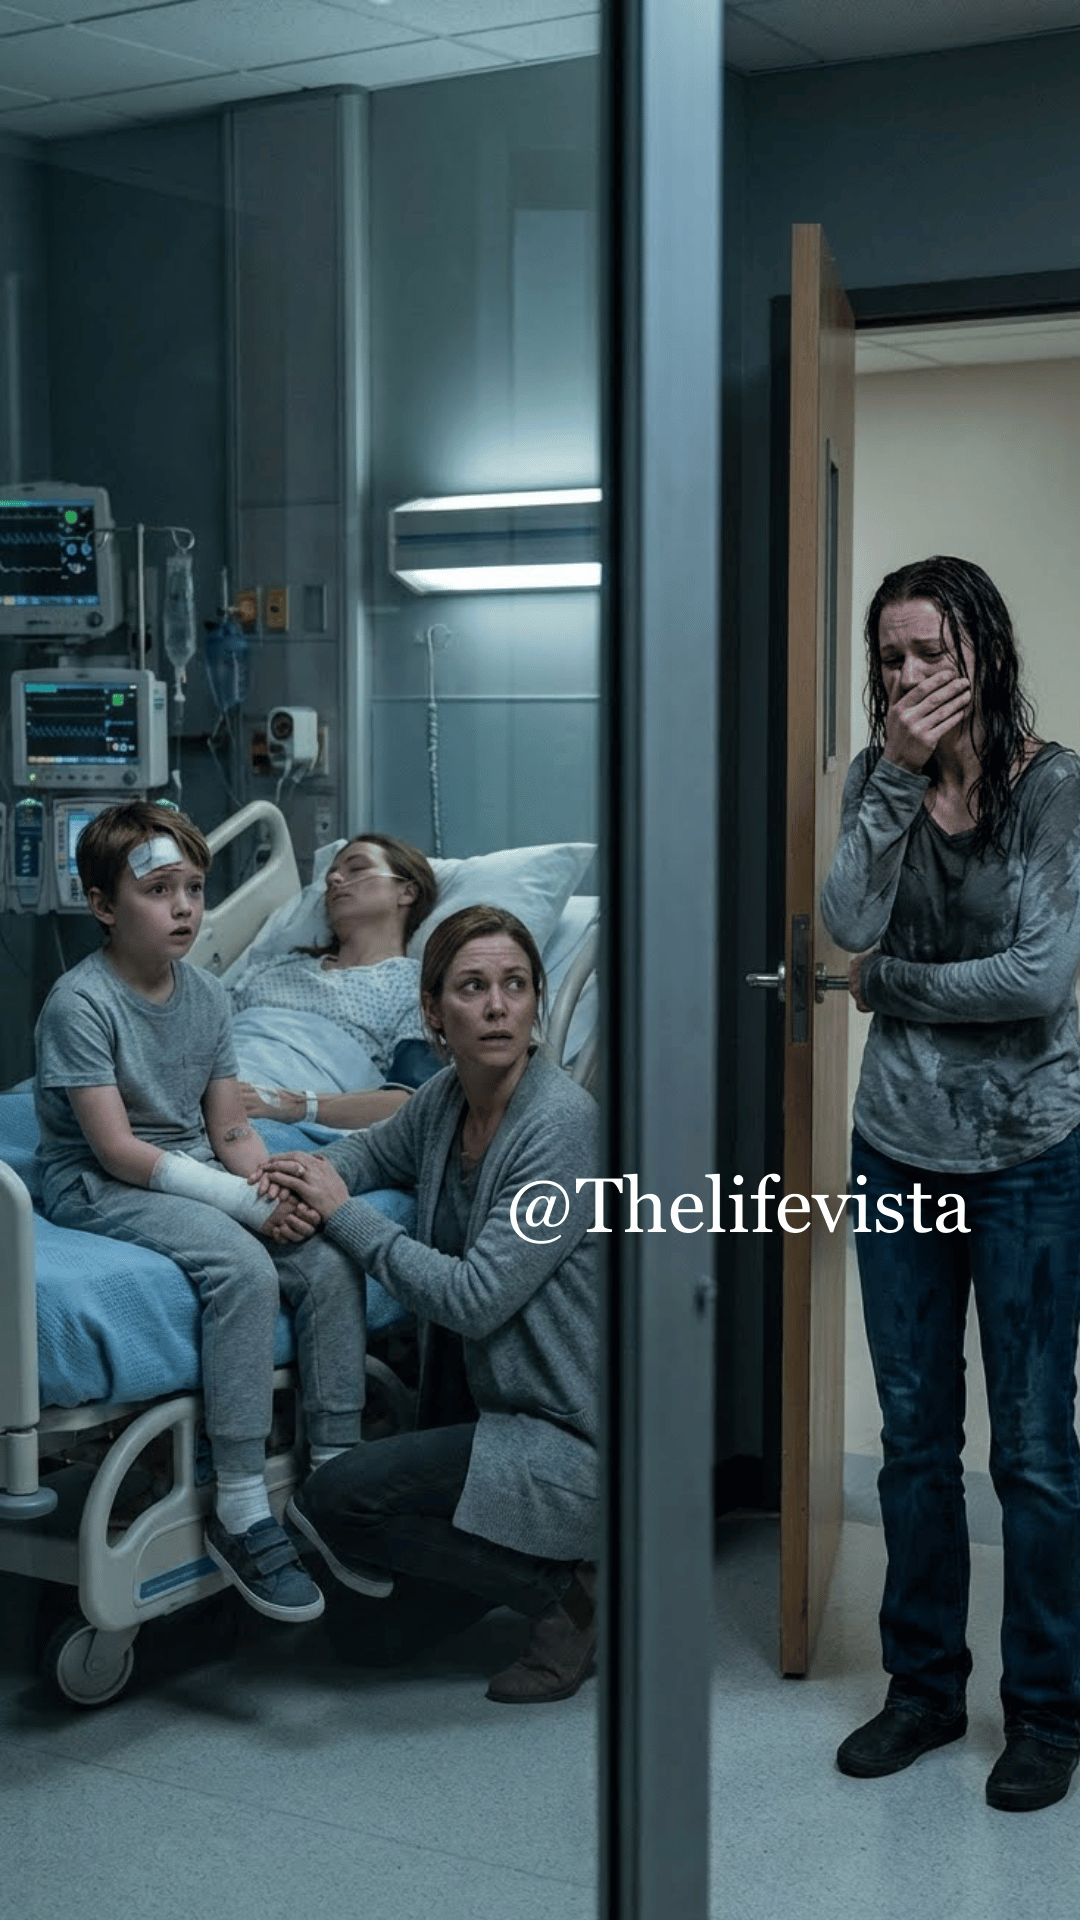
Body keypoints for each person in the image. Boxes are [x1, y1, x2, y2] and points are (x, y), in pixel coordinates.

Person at [821, 555, 1080, 1813]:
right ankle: (922, 1690)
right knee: (916, 1441)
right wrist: (890, 779)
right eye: (892, 657)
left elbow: (1037, 978)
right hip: (897, 1148)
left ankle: (1049, 1712)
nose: (912, 675)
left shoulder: (1052, 788)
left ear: (983, 650)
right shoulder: (880, 782)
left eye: (933, 650)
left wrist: (889, 988)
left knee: (1032, 1450)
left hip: (1032, 1155)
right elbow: (843, 919)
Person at [34, 801, 369, 1625]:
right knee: (243, 1269)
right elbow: (117, 1149)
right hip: (102, 1180)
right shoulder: (81, 1004)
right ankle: (241, 1505)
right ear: (102, 905)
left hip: (188, 1161)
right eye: (159, 891)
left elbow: (230, 1131)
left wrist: (273, 1189)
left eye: (193, 888)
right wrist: (238, 1208)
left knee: (329, 1262)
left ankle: (337, 1477)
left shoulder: (210, 996)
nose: (184, 907)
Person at [256, 903, 600, 1704]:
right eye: (472, 987)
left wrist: (343, 1216)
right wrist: (295, 1181)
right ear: (433, 1012)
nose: (497, 1007)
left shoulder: (561, 1126)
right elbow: (367, 1154)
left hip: (561, 1433)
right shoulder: (447, 1099)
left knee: (335, 1497)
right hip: (477, 1415)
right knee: (367, 1641)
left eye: (516, 985)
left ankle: (569, 1596)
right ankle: (532, 1560)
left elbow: (475, 1300)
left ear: (536, 1000)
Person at [233, 832, 440, 1129]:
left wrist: (295, 1105)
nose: (334, 879)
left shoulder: (416, 989)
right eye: (332, 873)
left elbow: (413, 1102)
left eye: (357, 868)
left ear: (407, 892)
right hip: (204, 1092)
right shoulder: (275, 968)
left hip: (279, 1125)